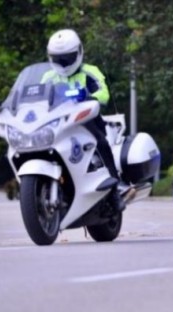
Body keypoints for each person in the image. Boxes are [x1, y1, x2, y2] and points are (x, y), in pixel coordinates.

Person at [43, 29, 125, 212]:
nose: (63, 63)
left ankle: (114, 191)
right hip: (58, 126)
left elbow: (104, 93)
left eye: (68, 58)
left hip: (87, 123)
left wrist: (89, 95)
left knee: (101, 143)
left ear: (79, 52)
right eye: (58, 59)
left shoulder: (90, 71)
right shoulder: (48, 78)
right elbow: (38, 101)